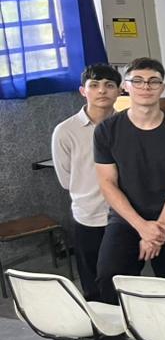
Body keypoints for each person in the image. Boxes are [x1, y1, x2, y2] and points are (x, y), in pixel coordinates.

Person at [93, 57, 165, 307]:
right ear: (126, 87)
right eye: (137, 81)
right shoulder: (106, 130)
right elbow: (107, 183)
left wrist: (157, 230)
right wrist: (142, 227)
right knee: (109, 277)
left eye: (153, 82)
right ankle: (123, 328)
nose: (145, 87)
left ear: (162, 87)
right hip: (126, 217)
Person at [52, 64, 122, 302]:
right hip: (88, 215)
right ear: (83, 91)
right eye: (94, 85)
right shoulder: (66, 131)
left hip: (124, 215)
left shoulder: (127, 125)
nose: (102, 91)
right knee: (92, 282)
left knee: (124, 277)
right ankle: (98, 325)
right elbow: (65, 178)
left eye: (109, 85)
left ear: (119, 91)